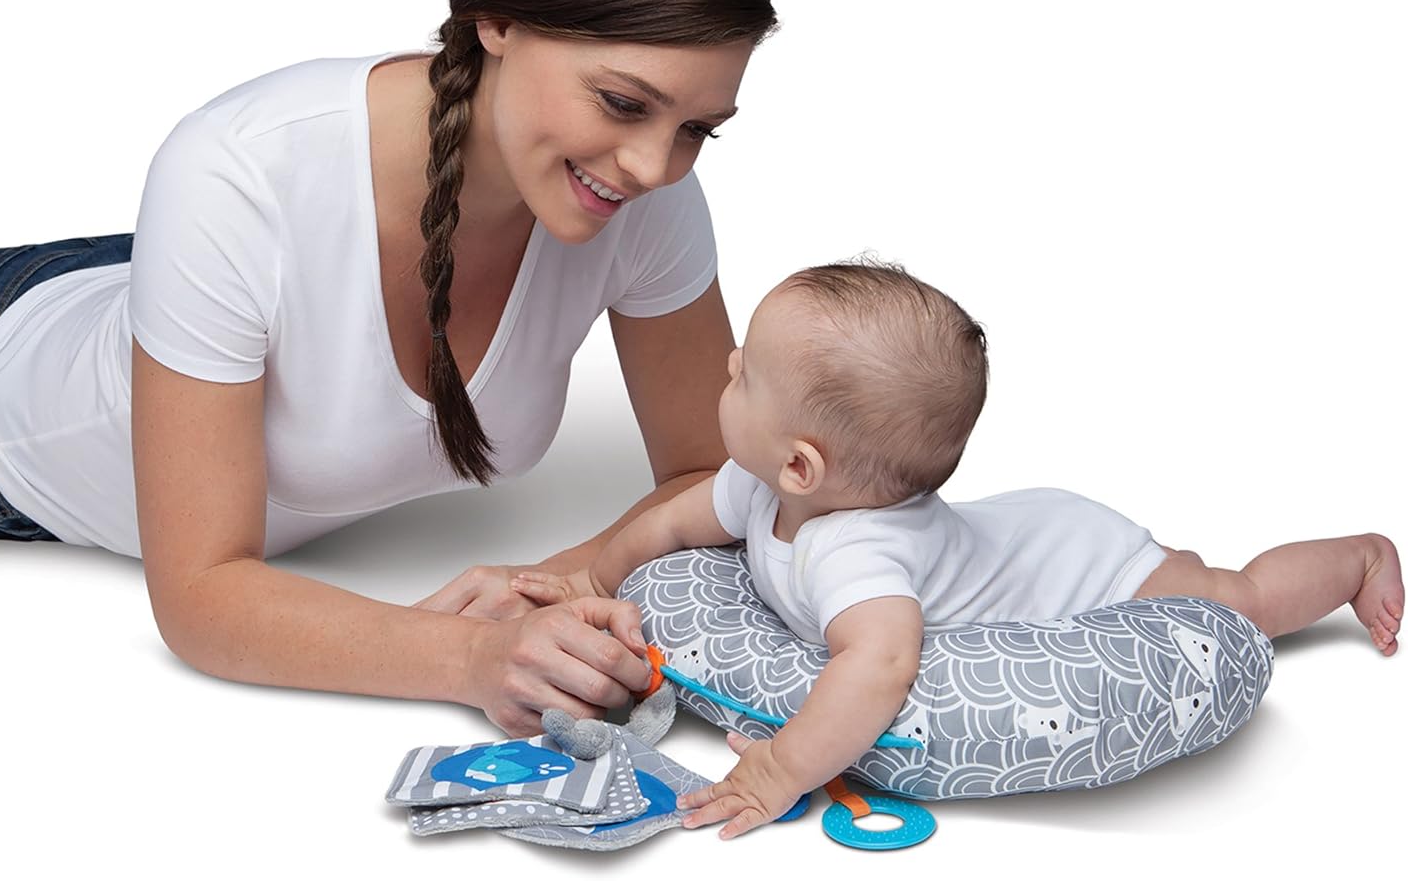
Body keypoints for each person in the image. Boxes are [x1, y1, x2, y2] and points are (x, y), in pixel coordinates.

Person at [0, 0, 778, 738]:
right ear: (497, 21)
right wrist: (474, 656)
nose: (653, 165)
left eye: (698, 128)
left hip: (187, 266)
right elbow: (201, 593)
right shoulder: (239, 173)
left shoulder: (640, 198)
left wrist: (563, 583)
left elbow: (715, 473)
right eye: (624, 103)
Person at [512, 259, 1404, 839]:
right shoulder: (759, 483)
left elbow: (879, 668)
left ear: (801, 463)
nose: (730, 364)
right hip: (1016, 527)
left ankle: (1357, 557)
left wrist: (782, 767)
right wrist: (590, 577)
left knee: (1237, 596)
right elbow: (668, 527)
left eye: (745, 375)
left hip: (1087, 563)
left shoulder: (857, 555)